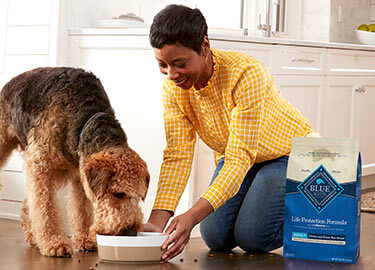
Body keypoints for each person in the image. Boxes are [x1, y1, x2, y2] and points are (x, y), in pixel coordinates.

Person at [144, 4, 316, 261]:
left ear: (204, 46)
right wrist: (156, 224)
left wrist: (190, 216)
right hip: (238, 158)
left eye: (179, 64)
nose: (171, 74)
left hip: (286, 154)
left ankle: (315, 211)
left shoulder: (246, 73)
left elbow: (239, 157)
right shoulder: (173, 89)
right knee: (215, 237)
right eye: (163, 65)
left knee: (253, 237)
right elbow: (177, 155)